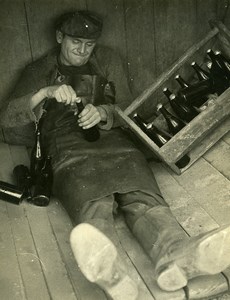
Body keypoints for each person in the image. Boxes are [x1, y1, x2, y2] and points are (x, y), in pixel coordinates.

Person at [0, 10, 230, 300]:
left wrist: (105, 112)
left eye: (89, 44)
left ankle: (177, 255)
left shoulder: (107, 60)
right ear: (60, 38)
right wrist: (45, 92)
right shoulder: (38, 70)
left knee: (144, 200)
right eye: (75, 42)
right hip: (67, 148)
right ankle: (112, 273)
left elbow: (132, 107)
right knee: (94, 205)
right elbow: (6, 123)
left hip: (115, 143)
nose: (83, 51)